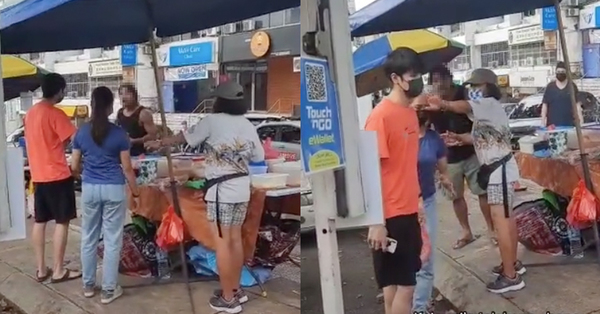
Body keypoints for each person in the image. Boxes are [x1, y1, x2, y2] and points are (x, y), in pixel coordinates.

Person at [145, 81, 264, 314]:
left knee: (222, 243)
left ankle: (228, 298)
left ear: (220, 101)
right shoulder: (247, 124)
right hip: (241, 188)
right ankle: (235, 290)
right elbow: (258, 154)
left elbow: (185, 137)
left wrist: (161, 143)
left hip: (221, 191)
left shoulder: (212, 121)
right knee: (235, 241)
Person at [421, 68, 525, 294]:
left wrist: (444, 104)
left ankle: (511, 276)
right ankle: (512, 264)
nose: (473, 90)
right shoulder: (485, 111)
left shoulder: (488, 103)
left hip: (500, 171)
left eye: (477, 86)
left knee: (503, 223)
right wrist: (460, 138)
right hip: (497, 170)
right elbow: (482, 135)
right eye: (471, 87)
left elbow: (462, 106)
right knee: (506, 222)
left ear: (488, 86)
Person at [364, 47, 428, 314]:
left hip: (409, 209)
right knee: (405, 287)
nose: (417, 80)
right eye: (412, 75)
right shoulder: (380, 116)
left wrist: (419, 199)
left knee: (394, 286)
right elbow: (370, 171)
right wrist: (376, 222)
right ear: (395, 78)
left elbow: (407, 165)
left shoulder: (411, 114)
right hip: (390, 216)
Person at [70, 86, 140, 304]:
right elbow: (127, 168)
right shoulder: (119, 134)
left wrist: (85, 177)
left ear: (93, 104)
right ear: (110, 106)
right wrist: (136, 192)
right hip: (113, 189)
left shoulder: (81, 132)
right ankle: (109, 289)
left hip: (90, 188)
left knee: (89, 237)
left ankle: (89, 285)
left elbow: (74, 165)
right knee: (112, 239)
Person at [428, 65, 494, 248]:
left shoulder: (465, 93)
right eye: (434, 80)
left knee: (482, 192)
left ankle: (492, 229)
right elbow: (427, 127)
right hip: (448, 157)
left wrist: (466, 137)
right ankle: (466, 231)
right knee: (455, 196)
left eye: (442, 78)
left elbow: (479, 115)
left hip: (472, 152)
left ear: (450, 79)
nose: (439, 83)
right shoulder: (431, 101)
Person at [24, 73, 82, 283]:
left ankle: (41, 269)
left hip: (38, 175)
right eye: (63, 90)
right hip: (57, 174)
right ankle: (58, 270)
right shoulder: (55, 113)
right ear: (58, 91)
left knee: (40, 222)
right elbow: (77, 139)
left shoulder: (30, 114)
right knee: (62, 221)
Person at [412, 110, 452, 313]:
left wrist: (446, 180)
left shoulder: (433, 138)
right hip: (402, 203)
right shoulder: (402, 136)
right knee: (405, 260)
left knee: (425, 260)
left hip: (427, 202)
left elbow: (443, 168)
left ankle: (419, 308)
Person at [116, 84, 158, 156]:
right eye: (121, 94)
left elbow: (153, 135)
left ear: (134, 96)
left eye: (127, 93)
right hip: (124, 154)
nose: (124, 97)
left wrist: (134, 141)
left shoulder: (143, 113)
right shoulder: (120, 113)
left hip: (141, 154)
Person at [541, 61, 582, 127]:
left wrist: (580, 121)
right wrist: (543, 121)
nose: (560, 74)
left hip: (569, 126)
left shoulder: (572, 86)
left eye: (562, 72)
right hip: (552, 127)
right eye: (558, 72)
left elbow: (577, 105)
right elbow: (544, 105)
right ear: (556, 72)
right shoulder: (550, 87)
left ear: (566, 73)